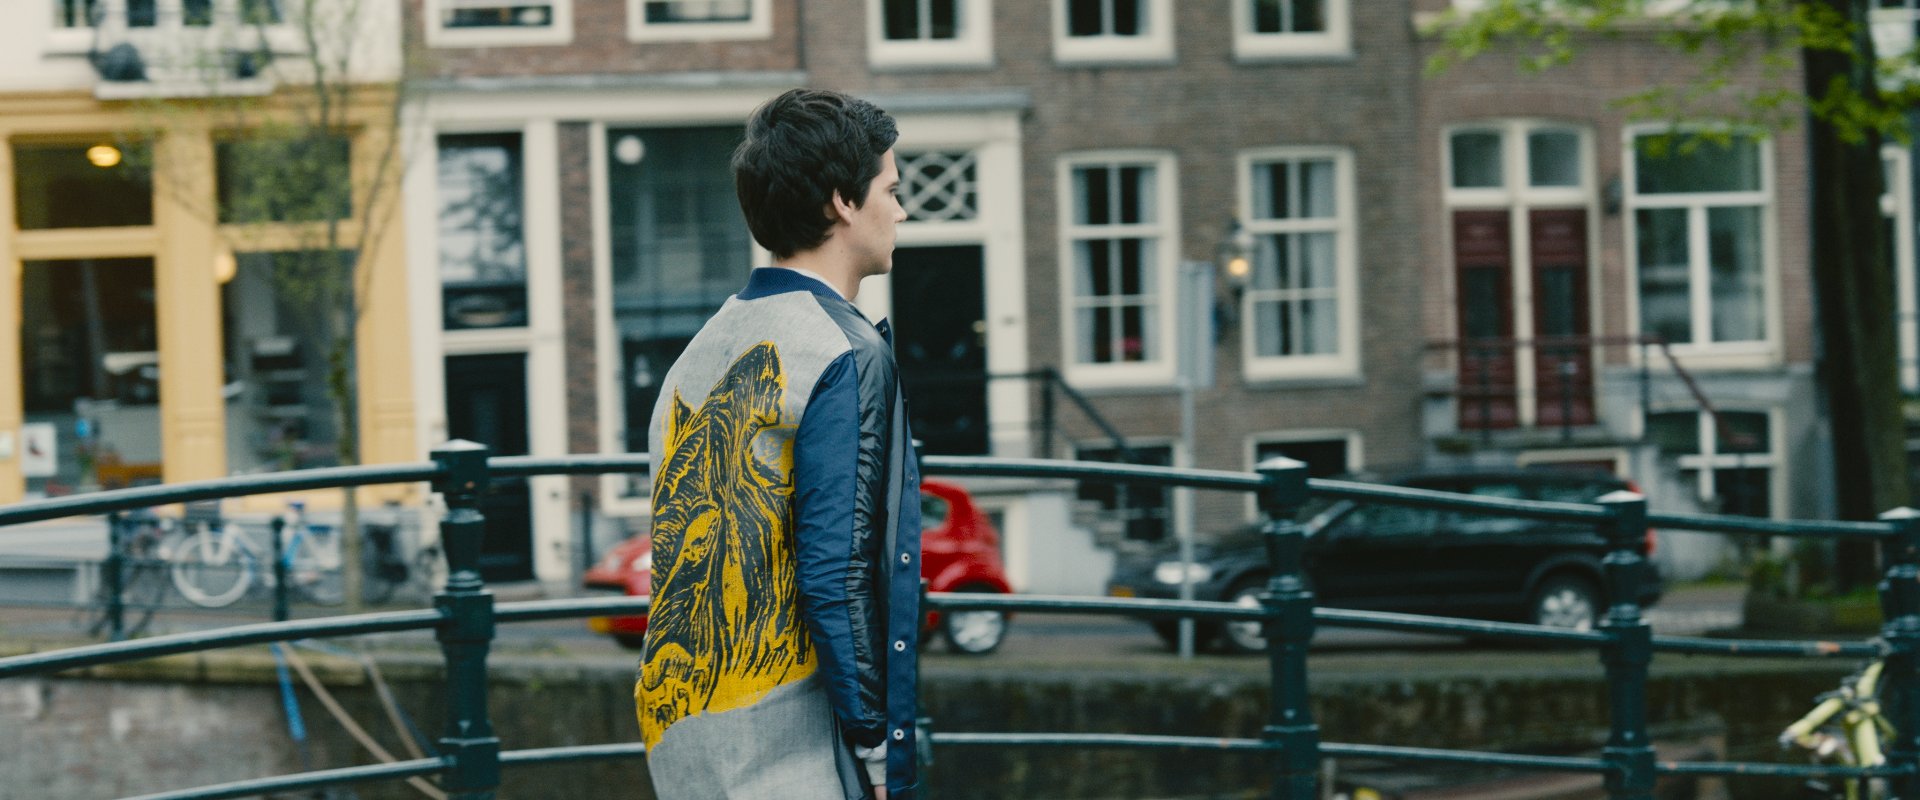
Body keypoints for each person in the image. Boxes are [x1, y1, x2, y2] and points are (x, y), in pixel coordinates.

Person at [635, 88, 922, 800]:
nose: (901, 211)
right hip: (790, 749)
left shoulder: (699, 352)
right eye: (891, 190)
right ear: (842, 202)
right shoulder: (842, 350)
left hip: (684, 735)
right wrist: (880, 747)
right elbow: (836, 571)